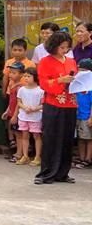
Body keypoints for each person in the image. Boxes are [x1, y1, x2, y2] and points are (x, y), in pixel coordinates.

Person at [34, 31, 78, 184]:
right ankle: (45, 173)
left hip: (71, 103)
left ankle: (62, 173)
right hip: (53, 104)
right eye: (61, 47)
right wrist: (61, 80)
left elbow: (77, 81)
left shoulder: (71, 61)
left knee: (67, 138)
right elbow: (44, 83)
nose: (64, 50)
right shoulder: (45, 61)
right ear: (53, 46)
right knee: (51, 138)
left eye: (66, 47)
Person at [15, 66, 43, 166]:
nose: (26, 78)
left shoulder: (40, 90)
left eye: (29, 76)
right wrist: (25, 107)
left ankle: (37, 157)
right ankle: (25, 156)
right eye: (25, 76)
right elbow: (19, 102)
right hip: (23, 116)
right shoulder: (22, 89)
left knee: (36, 136)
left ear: (35, 77)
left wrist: (34, 109)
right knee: (24, 135)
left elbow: (43, 104)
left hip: (36, 117)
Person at [1, 61, 25, 161]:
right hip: (13, 113)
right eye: (10, 72)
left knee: (19, 134)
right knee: (16, 133)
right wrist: (7, 111)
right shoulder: (12, 85)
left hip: (18, 115)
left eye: (14, 73)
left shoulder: (20, 87)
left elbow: (19, 104)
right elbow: (12, 101)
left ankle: (19, 154)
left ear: (21, 74)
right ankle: (18, 153)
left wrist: (15, 115)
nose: (11, 74)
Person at [75, 58, 92, 168]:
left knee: (89, 138)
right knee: (81, 138)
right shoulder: (77, 85)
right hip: (78, 115)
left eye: (82, 71)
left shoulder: (90, 88)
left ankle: (88, 158)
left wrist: (91, 117)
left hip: (87, 116)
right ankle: (81, 158)